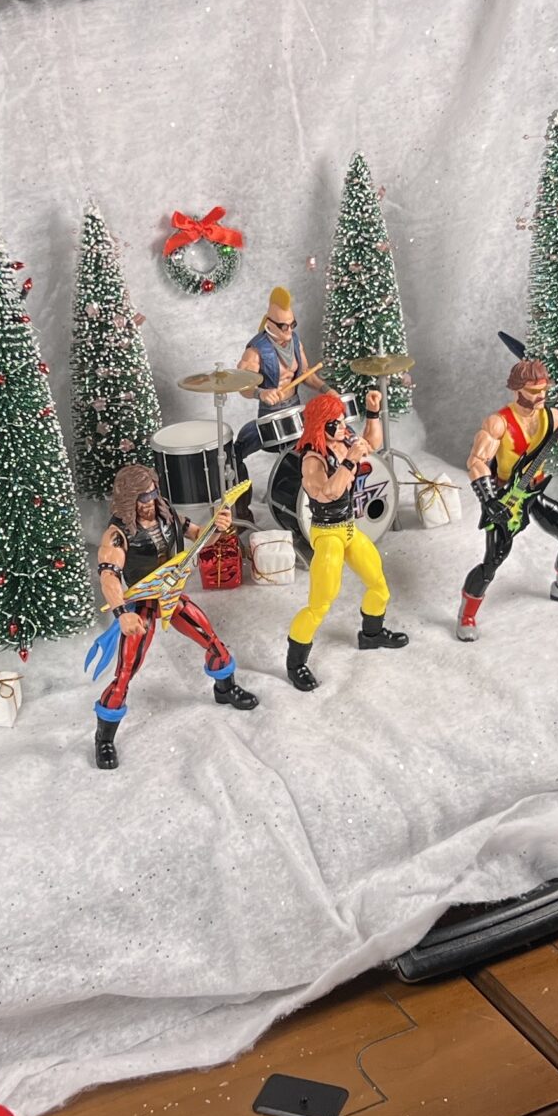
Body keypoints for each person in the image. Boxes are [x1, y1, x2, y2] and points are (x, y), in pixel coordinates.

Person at [92, 464, 255, 769]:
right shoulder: (117, 535)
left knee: (212, 641)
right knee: (125, 672)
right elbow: (109, 578)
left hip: (171, 596)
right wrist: (122, 614)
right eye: (143, 497)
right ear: (128, 498)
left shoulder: (168, 516)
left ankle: (224, 689)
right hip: (141, 604)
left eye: (153, 493)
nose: (150, 502)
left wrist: (218, 528)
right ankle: (104, 738)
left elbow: (201, 538)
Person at [459, 358, 558, 640]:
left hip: (535, 492)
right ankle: (466, 616)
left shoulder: (553, 417)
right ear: (517, 390)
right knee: (492, 562)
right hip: (507, 499)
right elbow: (476, 462)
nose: (541, 396)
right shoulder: (499, 423)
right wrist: (490, 500)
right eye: (534, 391)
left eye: (544, 390)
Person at [283, 388, 406, 689]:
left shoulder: (343, 440)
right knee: (320, 603)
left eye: (341, 420)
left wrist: (373, 412)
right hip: (327, 535)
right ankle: (295, 663)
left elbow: (371, 444)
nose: (341, 426)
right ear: (319, 425)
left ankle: (371, 633)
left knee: (378, 582)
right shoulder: (313, 458)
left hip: (349, 529)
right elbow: (327, 492)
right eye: (334, 423)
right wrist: (350, 462)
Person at [227, 286, 327, 492]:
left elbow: (306, 373)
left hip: (296, 410)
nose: (289, 330)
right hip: (271, 415)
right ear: (269, 323)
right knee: (236, 451)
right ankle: (239, 499)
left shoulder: (295, 341)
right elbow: (242, 386)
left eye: (292, 325)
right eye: (283, 326)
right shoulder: (256, 350)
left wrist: (326, 389)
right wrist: (260, 393)